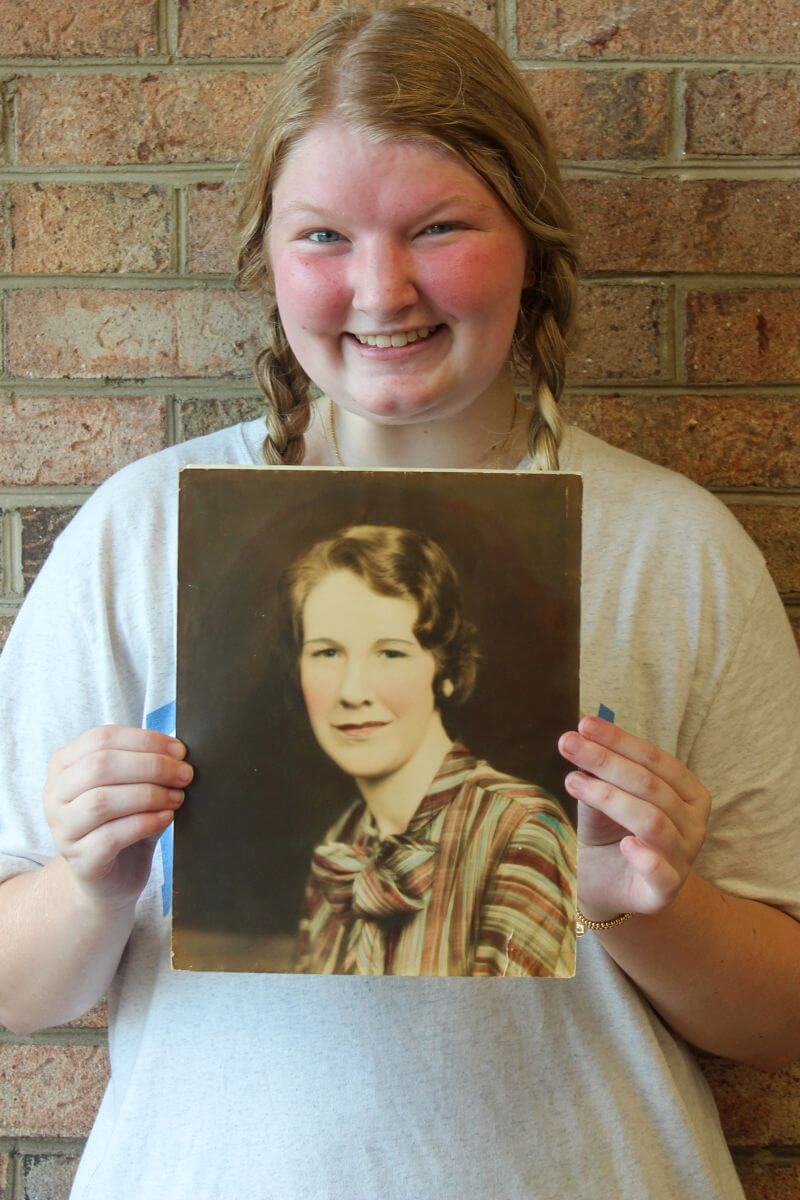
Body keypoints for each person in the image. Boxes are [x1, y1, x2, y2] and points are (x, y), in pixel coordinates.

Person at [0, 5, 798, 1198]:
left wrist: (651, 907)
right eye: (322, 234)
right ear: (267, 255)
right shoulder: (142, 532)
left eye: (438, 227)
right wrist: (96, 883)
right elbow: (19, 994)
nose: (380, 289)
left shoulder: (669, 545)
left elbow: (782, 1020)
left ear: (525, 237)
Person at [281, 523, 576, 977]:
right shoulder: (343, 845)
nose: (352, 691)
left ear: (446, 670)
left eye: (391, 653)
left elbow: (509, 1037)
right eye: (326, 653)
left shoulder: (520, 830)